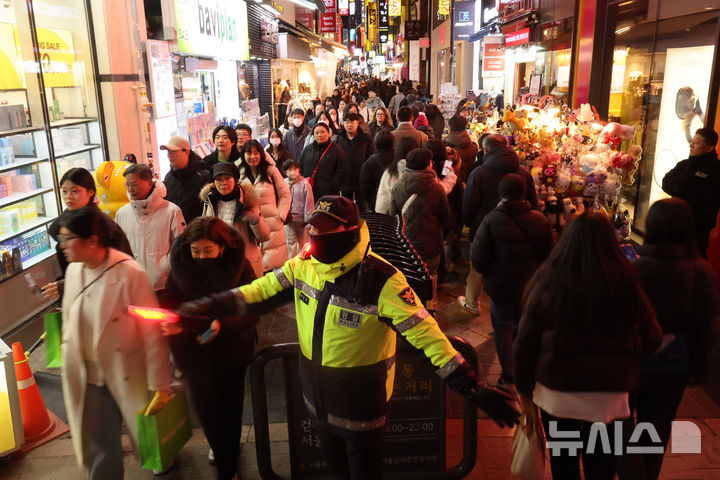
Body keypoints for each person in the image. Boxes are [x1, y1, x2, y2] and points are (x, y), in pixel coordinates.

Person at [177, 195, 519, 480]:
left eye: (326, 230)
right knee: (334, 470)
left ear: (351, 232)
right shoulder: (304, 264)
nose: (315, 235)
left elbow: (427, 336)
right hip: (316, 396)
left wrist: (470, 386)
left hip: (362, 403)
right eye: (313, 227)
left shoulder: (384, 280)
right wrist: (208, 306)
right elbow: (260, 291)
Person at [515, 212, 662, 480]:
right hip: (609, 395)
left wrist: (524, 390)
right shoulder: (626, 283)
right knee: (601, 463)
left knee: (564, 461)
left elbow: (525, 344)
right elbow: (652, 339)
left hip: (558, 394)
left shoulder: (548, 282)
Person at [59, 207, 171, 479]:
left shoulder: (130, 273)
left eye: (68, 239)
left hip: (128, 371)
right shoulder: (73, 272)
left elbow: (151, 328)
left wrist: (160, 383)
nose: (62, 246)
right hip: (88, 376)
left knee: (148, 439)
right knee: (100, 448)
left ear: (92, 240)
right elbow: (68, 319)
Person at [619, 198, 720, 479]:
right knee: (656, 430)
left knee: (619, 429)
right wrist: (698, 364)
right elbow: (708, 324)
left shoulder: (632, 269)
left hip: (632, 361)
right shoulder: (700, 270)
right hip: (674, 364)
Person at [160, 217, 259, 480]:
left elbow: (252, 308)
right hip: (194, 353)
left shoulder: (240, 267)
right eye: (196, 251)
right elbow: (170, 302)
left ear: (222, 247)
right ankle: (221, 449)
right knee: (207, 413)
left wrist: (222, 323)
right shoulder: (180, 267)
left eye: (208, 251)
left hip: (231, 352)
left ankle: (228, 467)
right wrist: (173, 322)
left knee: (229, 411)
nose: (201, 257)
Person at [465, 174, 554, 391]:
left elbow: (478, 258)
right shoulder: (539, 220)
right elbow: (549, 256)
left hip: (500, 287)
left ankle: (509, 378)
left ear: (501, 193)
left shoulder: (491, 220)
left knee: (502, 328)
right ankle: (525, 374)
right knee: (524, 328)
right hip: (530, 286)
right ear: (524, 193)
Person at [42, 168, 132, 300]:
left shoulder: (102, 226)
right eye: (64, 191)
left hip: (107, 296)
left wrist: (68, 284)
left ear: (91, 192)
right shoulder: (70, 220)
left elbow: (114, 270)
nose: (68, 197)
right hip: (82, 294)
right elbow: (54, 231)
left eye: (75, 191)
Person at [389, 148, 450, 303]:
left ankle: (410, 306)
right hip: (430, 242)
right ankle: (430, 305)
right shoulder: (437, 188)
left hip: (405, 244)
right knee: (431, 274)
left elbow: (393, 217)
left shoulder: (397, 187)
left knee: (407, 277)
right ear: (428, 164)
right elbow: (445, 218)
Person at [115, 164, 186, 291]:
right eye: (128, 185)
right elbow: (118, 246)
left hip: (163, 284)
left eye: (134, 184)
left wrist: (164, 267)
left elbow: (181, 246)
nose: (130, 190)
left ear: (149, 183)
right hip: (133, 284)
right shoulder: (122, 213)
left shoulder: (171, 211)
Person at [200, 162, 270, 277]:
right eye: (218, 179)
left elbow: (264, 237)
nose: (223, 183)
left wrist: (255, 221)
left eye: (227, 178)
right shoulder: (210, 201)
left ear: (235, 179)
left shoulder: (248, 200)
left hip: (246, 263)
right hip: (220, 264)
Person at [661, 127, 720, 256]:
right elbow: (665, 182)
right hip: (674, 224)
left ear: (710, 148)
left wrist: (682, 189)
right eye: (692, 141)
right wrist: (685, 188)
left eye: (696, 143)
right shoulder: (684, 164)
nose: (691, 145)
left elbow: (704, 197)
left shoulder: (716, 170)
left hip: (697, 229)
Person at [238, 139, 291, 272]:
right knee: (255, 267)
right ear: (243, 155)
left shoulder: (270, 171)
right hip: (250, 226)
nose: (253, 157)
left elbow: (285, 194)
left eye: (256, 153)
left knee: (274, 268)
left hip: (273, 225)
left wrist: (281, 215)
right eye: (249, 153)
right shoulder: (240, 174)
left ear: (262, 154)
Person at [162, 135, 211, 223]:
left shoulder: (204, 177)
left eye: (173, 151)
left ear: (186, 152)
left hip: (196, 228)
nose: (169, 155)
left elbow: (208, 209)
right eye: (168, 151)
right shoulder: (169, 177)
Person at [298, 123, 348, 199]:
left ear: (329, 133)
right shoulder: (307, 149)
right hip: (309, 189)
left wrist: (332, 185)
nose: (319, 135)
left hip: (329, 192)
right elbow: (300, 166)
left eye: (322, 132)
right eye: (316, 133)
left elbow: (342, 170)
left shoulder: (336, 150)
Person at [336, 112, 375, 206]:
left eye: (352, 122)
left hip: (361, 180)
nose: (349, 125)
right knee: (346, 208)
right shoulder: (339, 139)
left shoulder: (366, 138)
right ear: (343, 123)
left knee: (362, 208)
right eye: (347, 122)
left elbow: (371, 158)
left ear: (357, 123)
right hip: (345, 181)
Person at [375, 137, 419, 214]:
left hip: (396, 216)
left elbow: (383, 200)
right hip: (418, 216)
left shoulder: (391, 172)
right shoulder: (423, 171)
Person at [282, 159, 314, 257]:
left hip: (301, 220)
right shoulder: (283, 183)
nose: (293, 172)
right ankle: (291, 261)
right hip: (288, 220)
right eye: (289, 169)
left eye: (294, 169)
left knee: (303, 242)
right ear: (285, 172)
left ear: (298, 169)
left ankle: (302, 260)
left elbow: (309, 203)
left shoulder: (304, 184)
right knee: (290, 242)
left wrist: (308, 221)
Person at [360, 129, 395, 212]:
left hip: (378, 203)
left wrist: (372, 203)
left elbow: (365, 187)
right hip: (396, 202)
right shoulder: (399, 158)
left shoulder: (370, 162)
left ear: (375, 143)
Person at [445, 114, 479, 183]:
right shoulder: (473, 145)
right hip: (470, 180)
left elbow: (445, 172)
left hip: (455, 183)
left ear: (450, 128)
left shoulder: (449, 149)